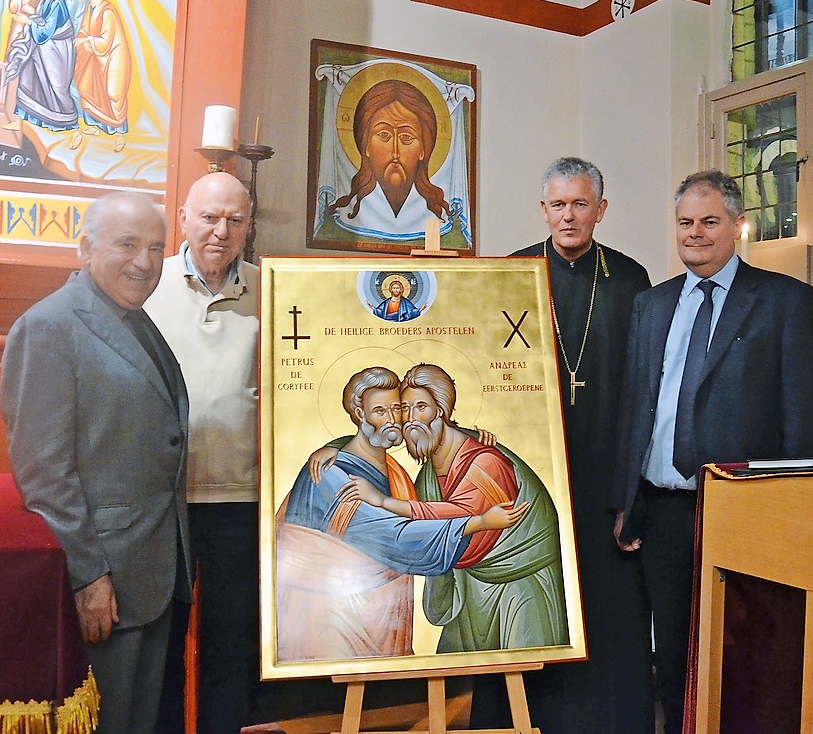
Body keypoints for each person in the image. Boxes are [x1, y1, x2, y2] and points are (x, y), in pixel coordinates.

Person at [612, 170, 813, 734]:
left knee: (744, 649)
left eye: (710, 222)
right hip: (662, 510)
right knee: (675, 652)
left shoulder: (786, 302)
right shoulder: (652, 306)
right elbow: (637, 411)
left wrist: (788, 514)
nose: (696, 234)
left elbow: (804, 423)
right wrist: (626, 501)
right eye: (685, 223)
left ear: (738, 226)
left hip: (743, 510)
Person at [474, 157, 656, 733]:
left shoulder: (630, 279)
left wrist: (631, 488)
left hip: (604, 470)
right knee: (531, 596)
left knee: (607, 607)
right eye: (558, 205)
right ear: (543, 209)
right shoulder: (512, 273)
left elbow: (643, 386)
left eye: (580, 204)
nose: (568, 216)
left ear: (601, 210)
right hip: (535, 469)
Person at [2, 191, 191, 734]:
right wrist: (88, 576)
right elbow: (43, 472)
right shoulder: (49, 328)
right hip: (105, 575)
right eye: (127, 244)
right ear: (84, 249)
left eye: (156, 248)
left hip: (150, 571)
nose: (145, 262)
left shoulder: (131, 317)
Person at [278, 366, 525, 661]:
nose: (393, 419)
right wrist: (479, 522)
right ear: (360, 414)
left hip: (384, 620)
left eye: (397, 408)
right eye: (380, 411)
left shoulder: (397, 475)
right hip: (332, 619)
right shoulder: (331, 473)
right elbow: (393, 537)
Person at [342, 363, 568, 652]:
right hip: (467, 586)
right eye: (405, 409)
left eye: (420, 407)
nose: (411, 419)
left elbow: (461, 512)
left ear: (441, 409)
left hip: (517, 582)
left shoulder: (485, 462)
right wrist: (332, 448)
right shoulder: (428, 474)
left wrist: (384, 502)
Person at [144, 172, 258, 734]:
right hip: (165, 501)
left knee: (233, 640)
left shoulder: (272, 291)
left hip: (242, 498)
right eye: (209, 217)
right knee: (162, 638)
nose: (221, 231)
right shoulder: (147, 286)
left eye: (234, 220)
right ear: (184, 218)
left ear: (248, 227)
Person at [324, 79, 451, 239]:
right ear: (366, 146)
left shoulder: (434, 213)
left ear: (423, 150)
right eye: (384, 135)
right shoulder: (346, 212)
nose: (395, 153)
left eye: (406, 137)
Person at [4, 0, 78, 133]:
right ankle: (19, 120)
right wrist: (30, 20)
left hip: (56, 53)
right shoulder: (45, 1)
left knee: (57, 88)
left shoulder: (56, 3)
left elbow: (46, 31)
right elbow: (41, 22)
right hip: (42, 51)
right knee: (27, 78)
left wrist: (28, 21)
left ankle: (70, 125)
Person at [73, 0, 131, 152]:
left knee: (113, 94)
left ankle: (120, 132)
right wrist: (82, 39)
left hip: (111, 57)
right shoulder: (89, 10)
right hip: (94, 56)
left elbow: (107, 40)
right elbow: (84, 29)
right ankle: (95, 125)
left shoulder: (107, 11)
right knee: (87, 86)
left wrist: (88, 40)